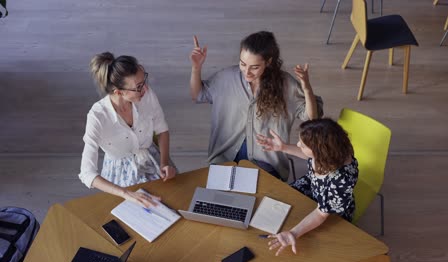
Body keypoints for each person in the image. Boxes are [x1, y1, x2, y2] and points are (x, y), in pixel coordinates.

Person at [189, 31, 323, 181]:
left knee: (258, 201)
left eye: (254, 67)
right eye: (242, 64)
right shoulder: (226, 78)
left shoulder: (286, 84)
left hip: (266, 163)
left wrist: (306, 88)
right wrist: (196, 68)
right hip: (224, 159)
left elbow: (312, 117)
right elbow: (198, 95)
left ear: (269, 62)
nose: (247, 72)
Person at [78, 52, 178, 208]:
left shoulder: (147, 94)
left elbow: (162, 129)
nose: (145, 88)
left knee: (173, 203)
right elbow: (86, 173)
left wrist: (165, 163)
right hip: (119, 176)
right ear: (119, 92)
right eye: (138, 87)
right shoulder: (97, 116)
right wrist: (126, 193)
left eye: (143, 80)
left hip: (152, 158)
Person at [256, 118, 358, 256]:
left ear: (320, 151)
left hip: (330, 209)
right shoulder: (331, 151)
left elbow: (321, 214)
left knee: (309, 239)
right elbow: (309, 156)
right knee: (278, 203)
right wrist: (283, 147)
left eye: (303, 145)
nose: (298, 145)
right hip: (313, 187)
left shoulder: (342, 180)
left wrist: (294, 233)